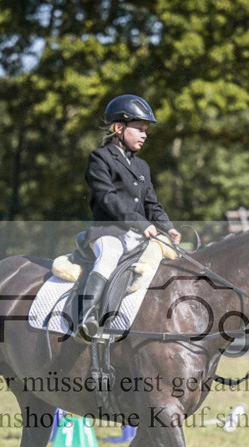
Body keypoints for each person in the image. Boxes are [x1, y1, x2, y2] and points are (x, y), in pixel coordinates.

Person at [79, 94, 181, 339]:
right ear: (118, 128)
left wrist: (169, 228)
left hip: (138, 235)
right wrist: (140, 223)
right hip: (108, 233)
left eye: (146, 130)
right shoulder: (100, 159)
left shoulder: (142, 166)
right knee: (110, 256)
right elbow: (108, 198)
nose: (144, 135)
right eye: (139, 129)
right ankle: (88, 316)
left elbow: (152, 204)